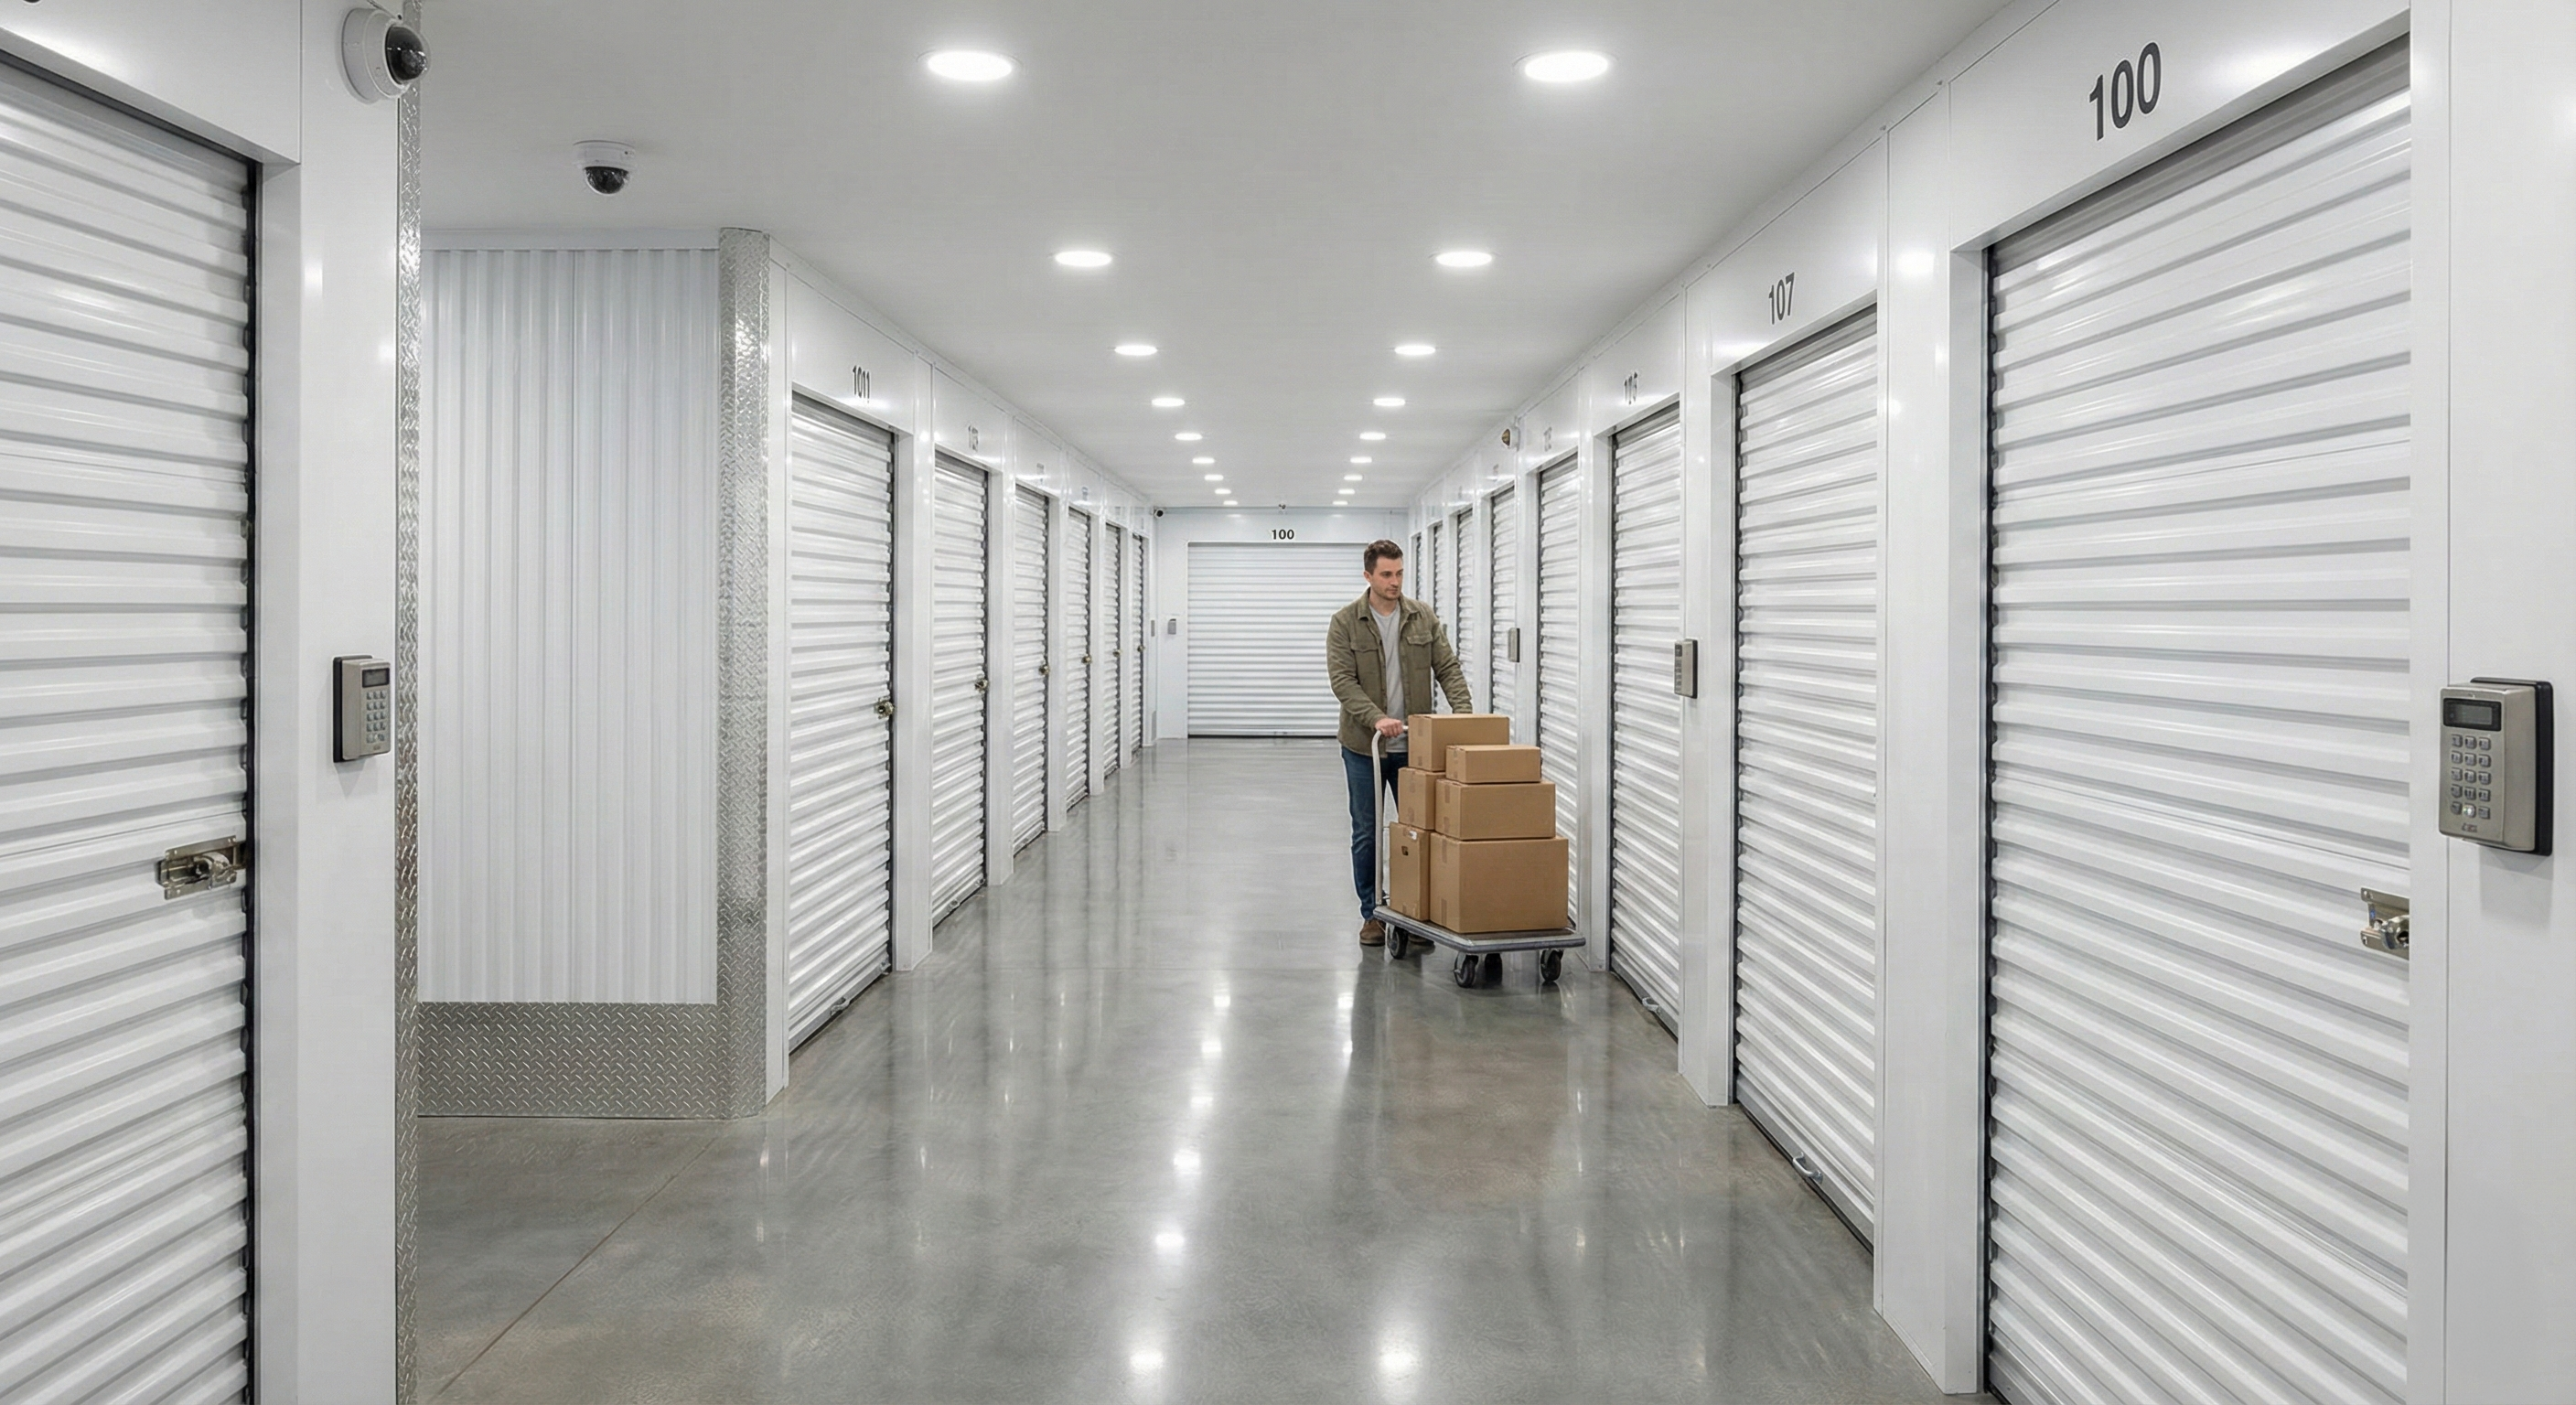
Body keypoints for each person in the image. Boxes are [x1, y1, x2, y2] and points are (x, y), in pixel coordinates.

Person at [1326, 539, 1472, 946]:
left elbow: (1447, 667)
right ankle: (1372, 914)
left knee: (1418, 833)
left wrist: (1464, 715)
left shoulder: (1422, 617)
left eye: (1400, 573)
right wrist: (1377, 718)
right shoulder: (1345, 622)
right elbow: (1343, 681)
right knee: (1367, 832)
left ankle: (1415, 911)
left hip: (1415, 750)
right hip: (1365, 748)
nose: (1395, 582)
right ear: (1368, 576)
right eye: (1386, 574)